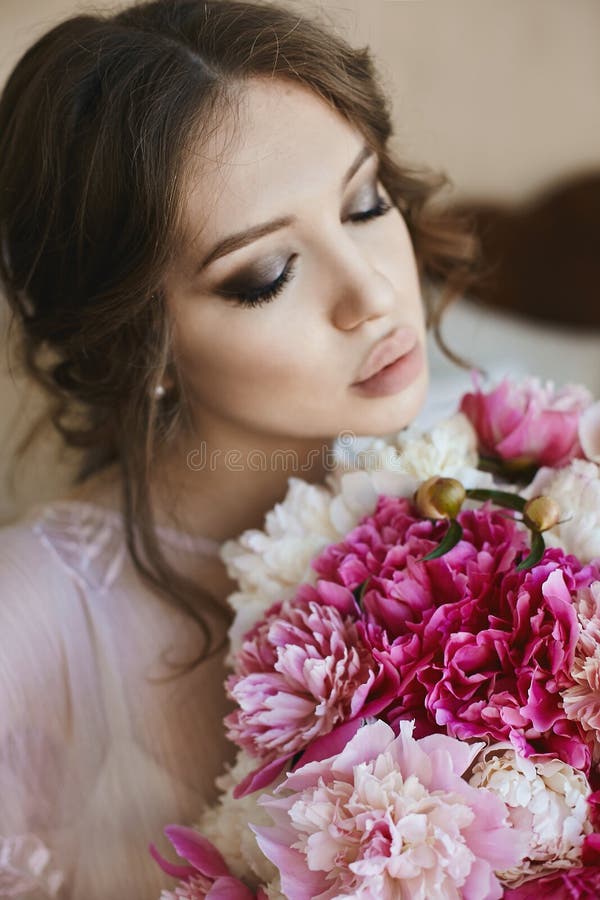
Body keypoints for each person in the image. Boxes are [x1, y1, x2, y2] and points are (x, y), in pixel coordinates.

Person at [0, 0, 477, 896]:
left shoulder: (491, 496)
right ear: (133, 345)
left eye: (365, 202)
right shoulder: (24, 622)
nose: (369, 294)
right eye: (266, 276)